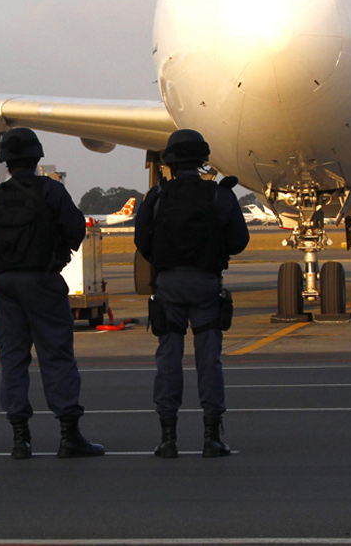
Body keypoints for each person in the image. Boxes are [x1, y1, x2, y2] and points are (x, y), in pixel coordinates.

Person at [0, 127, 104, 459]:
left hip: (6, 285)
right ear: (36, 158)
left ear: (6, 161)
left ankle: (20, 437)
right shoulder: (51, 191)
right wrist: (54, 251)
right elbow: (76, 229)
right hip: (43, 282)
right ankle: (69, 434)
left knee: (13, 359)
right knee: (56, 356)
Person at [134, 129, 249, 458]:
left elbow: (142, 242)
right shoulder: (219, 195)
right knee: (209, 361)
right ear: (202, 161)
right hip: (204, 281)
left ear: (170, 162)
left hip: (169, 283)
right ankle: (211, 437)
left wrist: (164, 261)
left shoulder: (156, 196)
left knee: (168, 360)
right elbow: (239, 241)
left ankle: (168, 438)